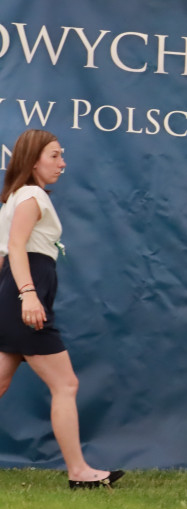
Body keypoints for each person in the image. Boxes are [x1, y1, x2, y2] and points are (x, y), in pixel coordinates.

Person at [0, 129, 124, 490]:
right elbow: (16, 248)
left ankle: (79, 470)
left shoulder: (14, 198)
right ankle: (79, 472)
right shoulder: (32, 196)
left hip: (13, 298)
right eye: (54, 155)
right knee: (66, 384)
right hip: (25, 299)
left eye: (61, 155)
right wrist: (29, 295)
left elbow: (4, 255)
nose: (62, 163)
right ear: (33, 158)